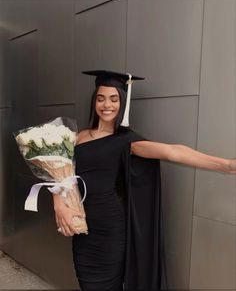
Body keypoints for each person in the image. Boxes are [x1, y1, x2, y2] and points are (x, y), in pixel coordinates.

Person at [52, 70, 236, 290]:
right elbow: (59, 175)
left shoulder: (127, 141)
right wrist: (58, 205)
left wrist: (226, 165)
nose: (107, 105)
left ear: (122, 102)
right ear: (94, 101)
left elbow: (171, 151)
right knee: (86, 283)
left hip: (110, 229)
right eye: (101, 98)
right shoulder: (78, 136)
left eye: (114, 99)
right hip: (82, 229)